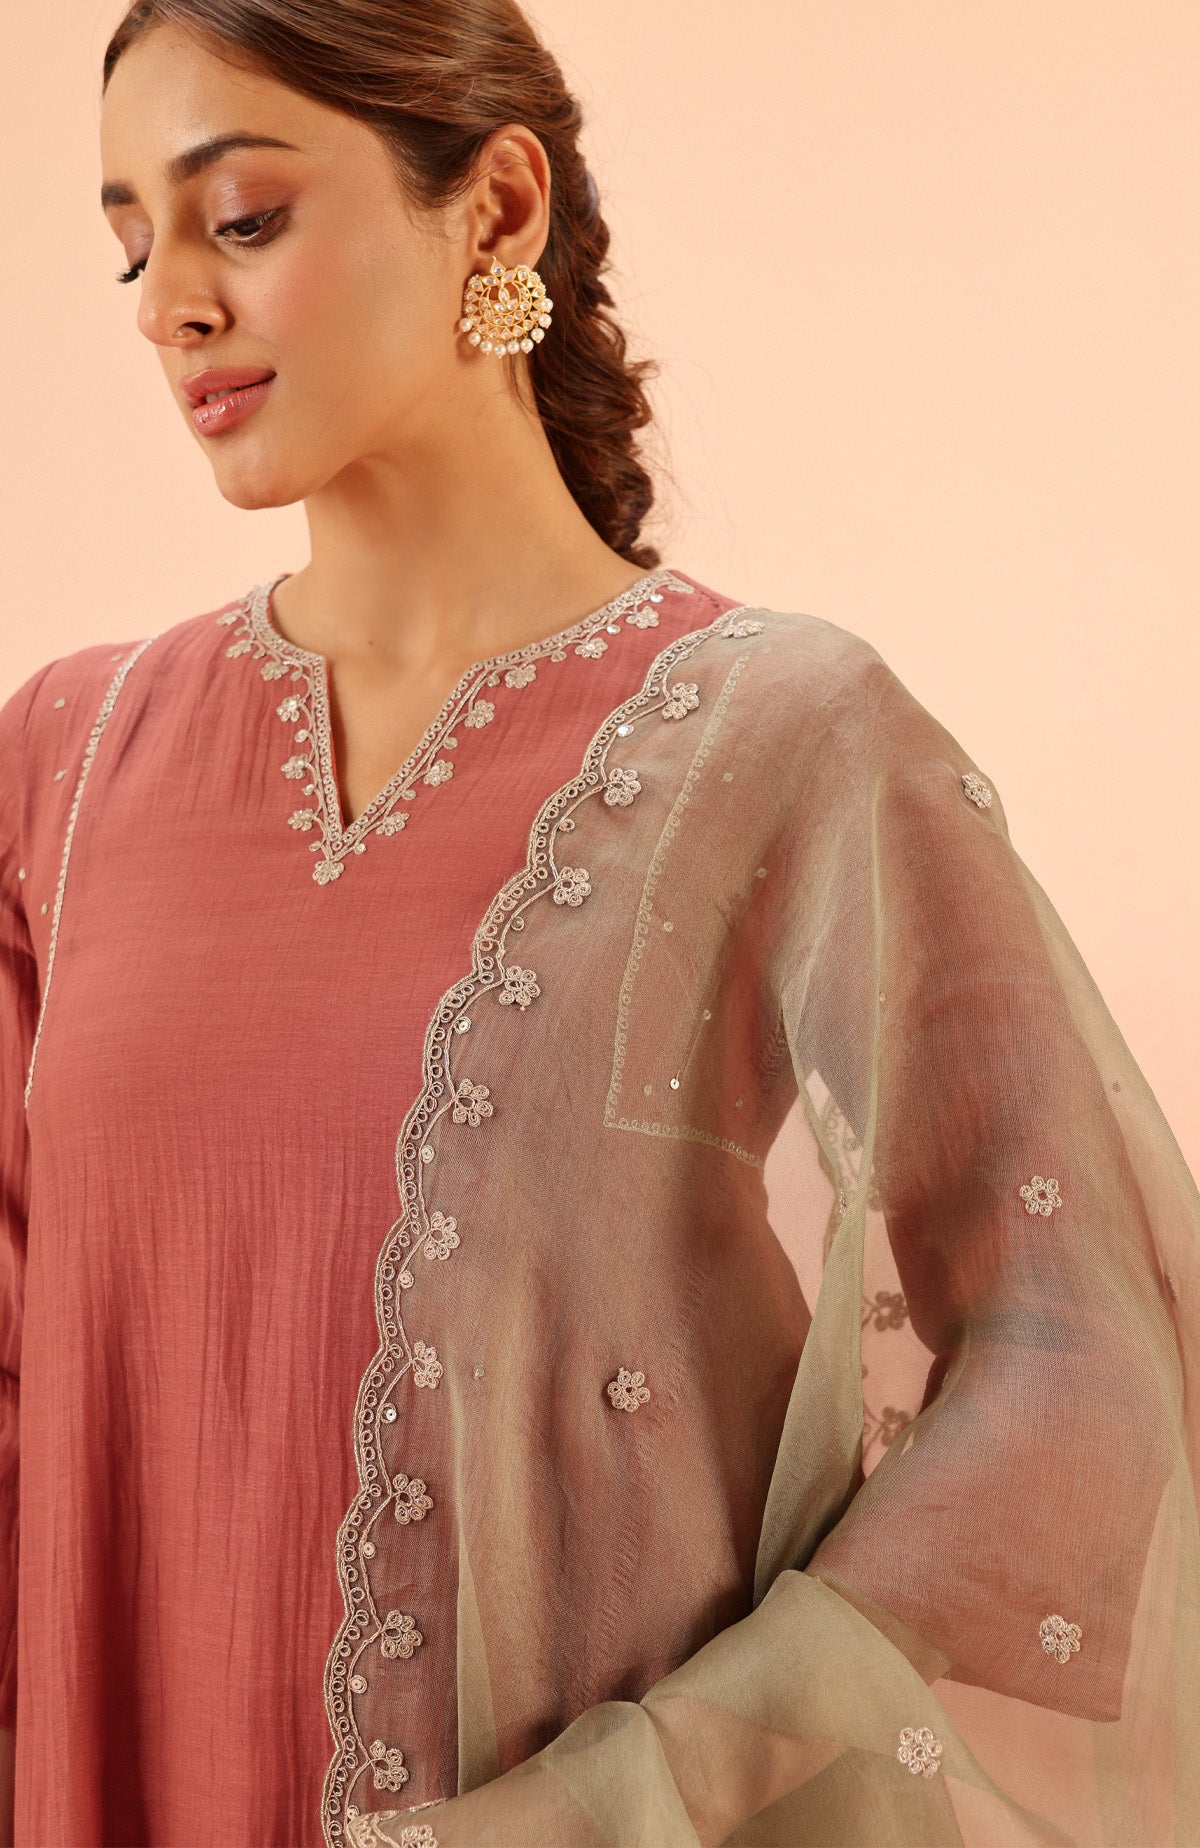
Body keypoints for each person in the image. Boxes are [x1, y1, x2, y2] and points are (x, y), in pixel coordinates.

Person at [2, 2, 1197, 1844]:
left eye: (238, 219)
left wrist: (648, 1788)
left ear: (494, 207)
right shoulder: (66, 772)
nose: (170, 302)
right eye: (127, 248)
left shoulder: (778, 736)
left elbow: (1082, 1358)